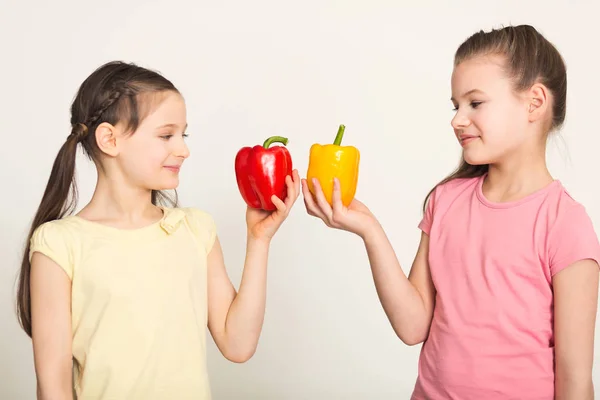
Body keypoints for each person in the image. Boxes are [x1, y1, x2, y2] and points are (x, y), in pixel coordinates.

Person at [302, 25, 600, 399]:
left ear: (534, 103)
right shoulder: (446, 201)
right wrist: (369, 229)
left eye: (475, 103)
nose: (457, 119)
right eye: (455, 105)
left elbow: (574, 382)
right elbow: (413, 326)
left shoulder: (565, 225)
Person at [16, 61, 300, 399]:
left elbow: (238, 344)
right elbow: (53, 389)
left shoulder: (195, 230)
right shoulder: (59, 244)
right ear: (110, 139)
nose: (183, 149)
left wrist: (259, 240)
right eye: (166, 135)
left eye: (183, 134)